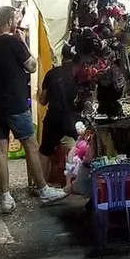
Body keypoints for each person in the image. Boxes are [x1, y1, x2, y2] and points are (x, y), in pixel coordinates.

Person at [0, 6, 66, 213]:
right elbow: (32, 66)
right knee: (31, 145)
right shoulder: (14, 42)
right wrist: (23, 41)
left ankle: (5, 198)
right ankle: (43, 189)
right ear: (9, 21)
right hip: (15, 104)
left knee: (1, 150)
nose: (17, 22)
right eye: (15, 18)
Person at [38, 44, 79, 187]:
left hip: (54, 118)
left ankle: (42, 185)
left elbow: (42, 101)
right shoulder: (79, 73)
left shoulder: (52, 73)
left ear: (62, 56)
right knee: (77, 150)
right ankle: (73, 184)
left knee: (45, 152)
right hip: (74, 121)